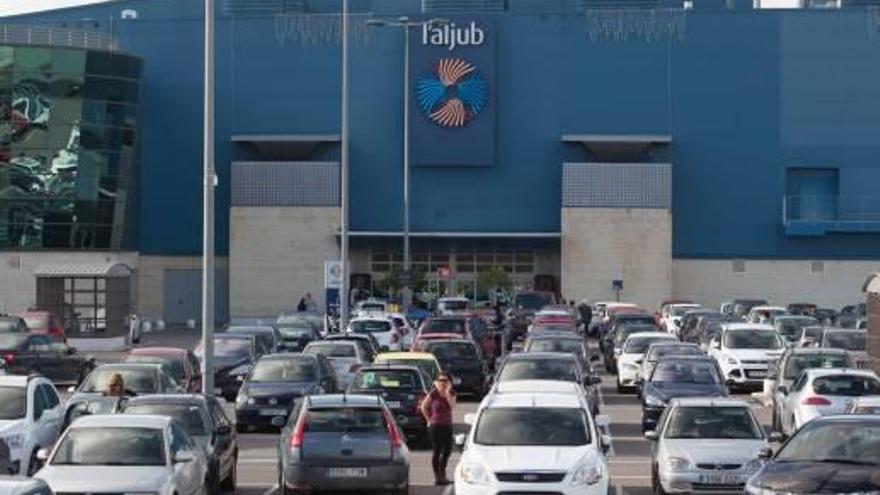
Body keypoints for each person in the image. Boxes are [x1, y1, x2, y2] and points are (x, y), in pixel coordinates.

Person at [420, 372, 456, 485]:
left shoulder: (452, 393)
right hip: (435, 426)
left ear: (450, 382)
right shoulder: (433, 393)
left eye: (445, 380)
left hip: (447, 425)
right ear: (437, 381)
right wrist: (428, 420)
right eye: (440, 380)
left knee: (448, 450)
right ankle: (437, 477)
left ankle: (442, 473)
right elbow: (424, 407)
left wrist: (447, 393)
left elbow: (451, 407)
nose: (443, 382)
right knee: (437, 450)